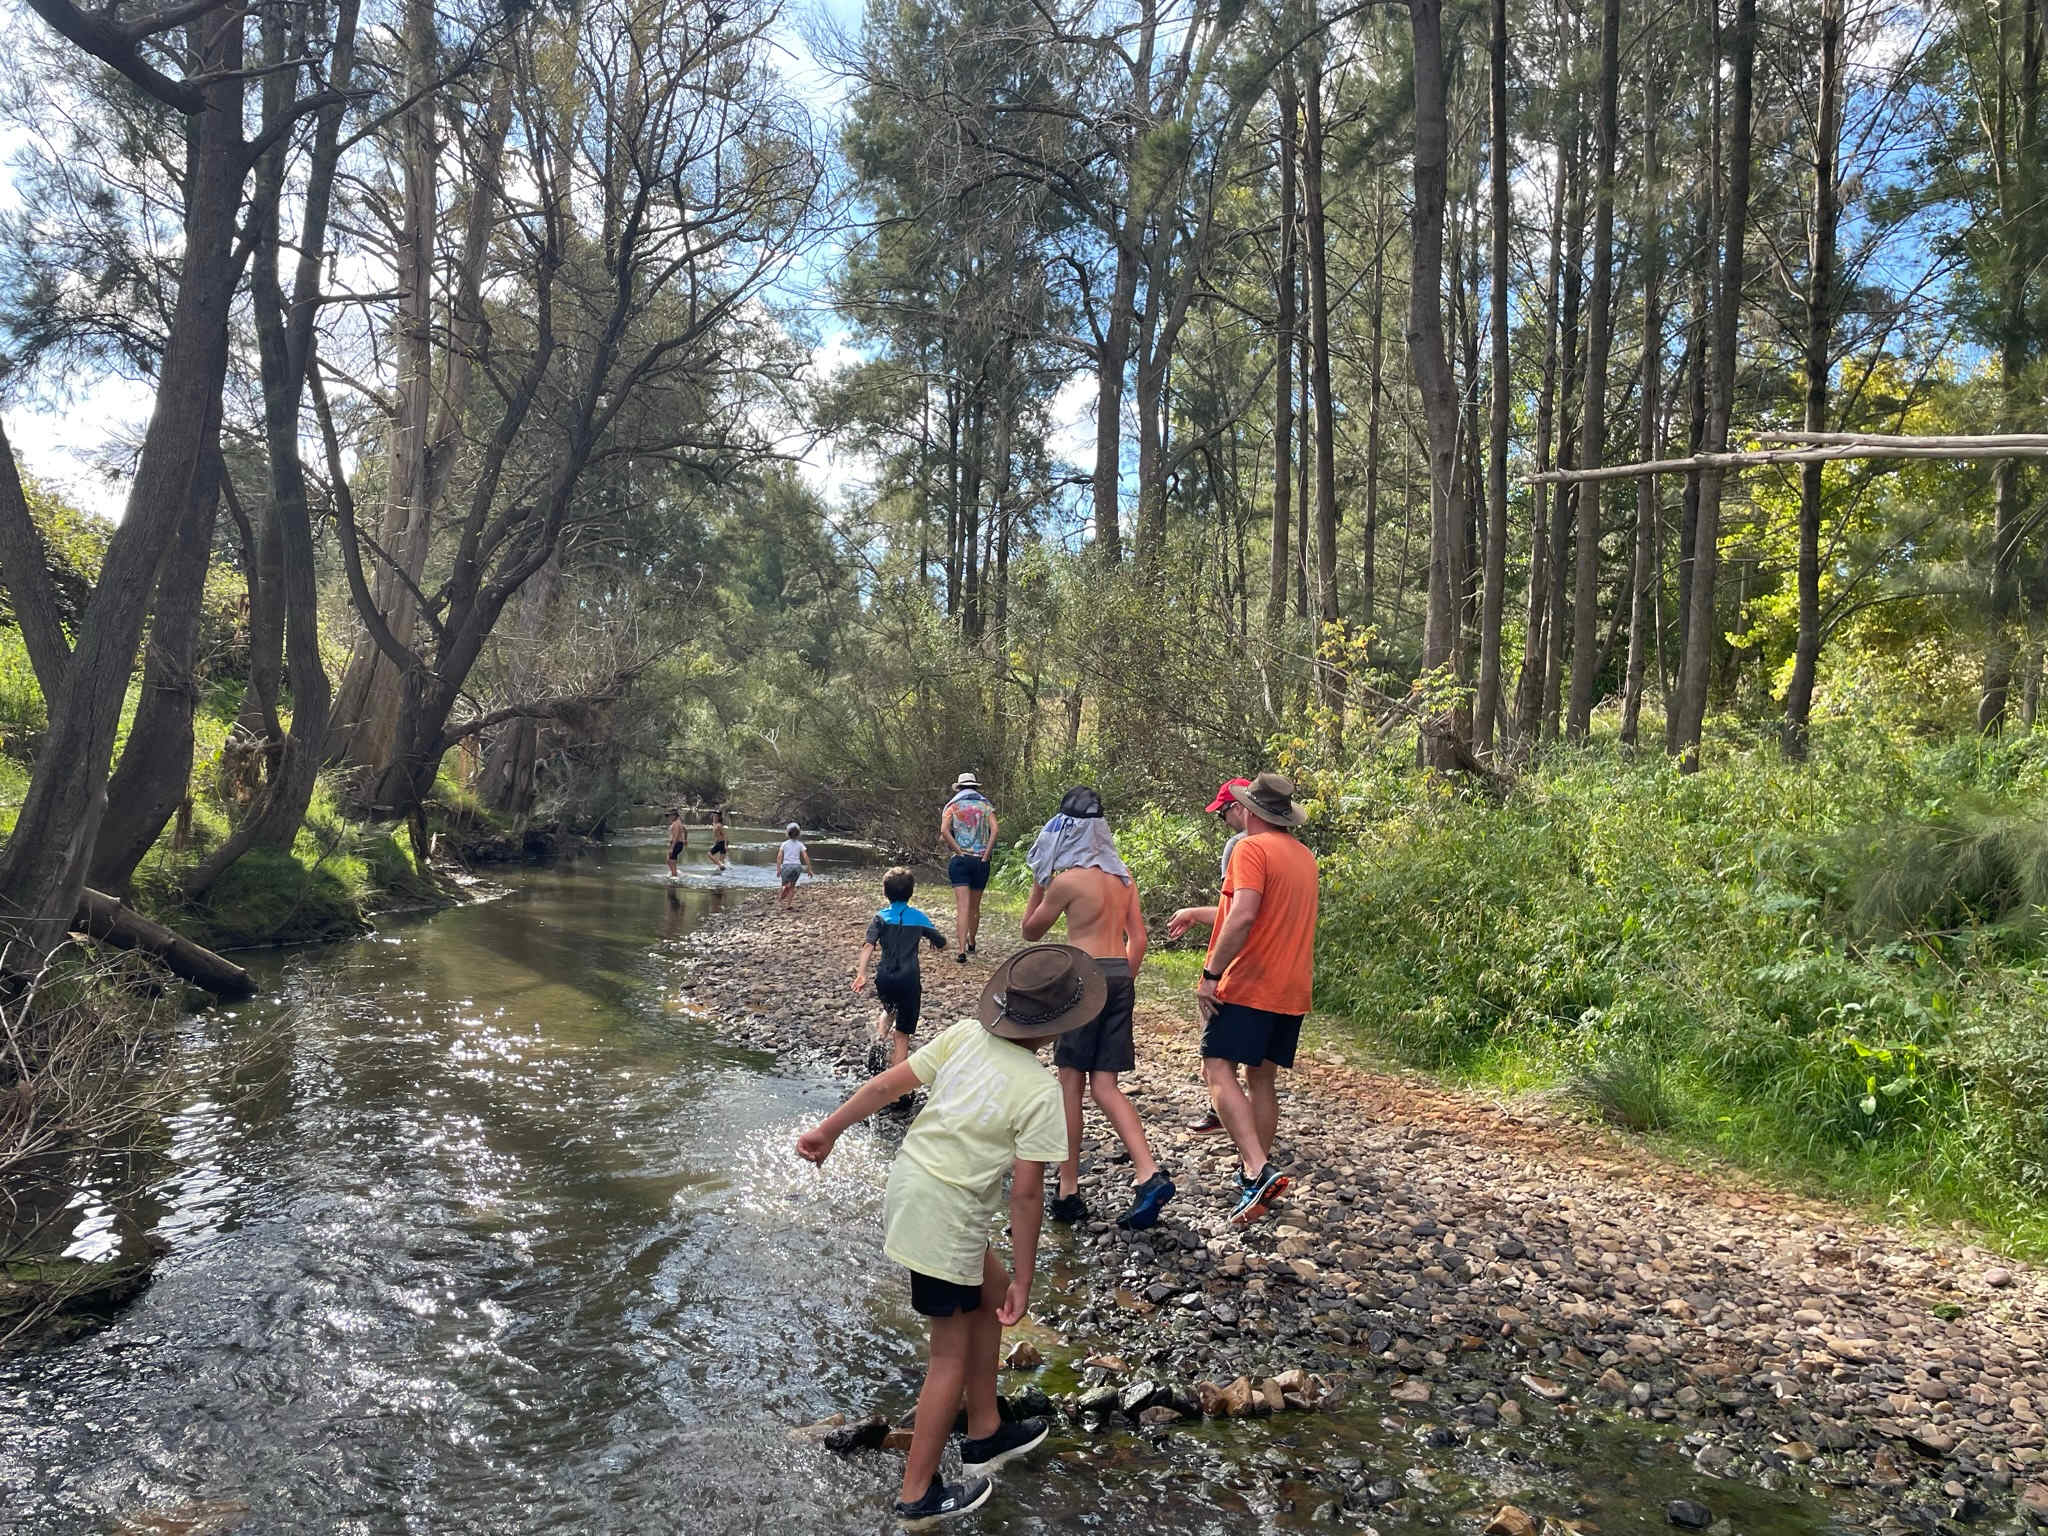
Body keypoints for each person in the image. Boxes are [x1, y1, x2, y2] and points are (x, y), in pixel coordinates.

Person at [797, 945, 1091, 1528]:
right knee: (948, 1357)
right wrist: (1030, 1278)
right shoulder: (1040, 1092)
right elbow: (1028, 1196)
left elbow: (886, 1087)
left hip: (914, 1190)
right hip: (949, 1219)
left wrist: (829, 1130)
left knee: (992, 1286)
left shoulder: (962, 1035)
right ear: (1060, 1028)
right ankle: (917, 1495)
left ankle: (984, 1431)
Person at [1020, 787, 1173, 1231]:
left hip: (1082, 978)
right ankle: (1148, 1173)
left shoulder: (1068, 881)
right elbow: (1138, 938)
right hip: (1120, 977)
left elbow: (1031, 932)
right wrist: (1121, 982)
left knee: (1071, 1085)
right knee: (1105, 1086)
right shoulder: (1124, 879)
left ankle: (1068, 1190)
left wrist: (1039, 880)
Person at [1195, 772, 1318, 1226]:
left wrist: (1211, 974)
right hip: (1291, 986)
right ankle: (1256, 1181)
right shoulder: (1304, 857)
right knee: (1261, 1079)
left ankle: (1255, 1167)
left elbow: (1244, 915)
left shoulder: (1250, 849)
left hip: (1250, 981)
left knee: (1216, 1067)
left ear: (1250, 811)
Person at [1168, 777, 1253, 1134]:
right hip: (1268, 969)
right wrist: (1194, 913)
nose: (1224, 821)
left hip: (1234, 966)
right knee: (1256, 1070)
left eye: (1222, 813)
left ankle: (1246, 1146)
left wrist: (1212, 973)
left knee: (1215, 1059)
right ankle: (1239, 1125)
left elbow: (1235, 913)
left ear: (1238, 807)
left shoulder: (1239, 846)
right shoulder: (1290, 848)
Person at [854, 865, 948, 1072]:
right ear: (911, 892)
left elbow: (868, 945)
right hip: (909, 980)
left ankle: (879, 1040)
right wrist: (934, 941)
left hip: (884, 978)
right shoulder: (919, 918)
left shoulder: (880, 917)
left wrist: (861, 974)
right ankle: (898, 1092)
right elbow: (942, 942)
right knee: (902, 1034)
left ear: (884, 892)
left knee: (889, 1009)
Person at [939, 772, 998, 963]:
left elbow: (943, 831)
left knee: (962, 907)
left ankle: (961, 950)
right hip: (980, 861)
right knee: (975, 907)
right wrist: (986, 853)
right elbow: (995, 829)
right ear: (975, 787)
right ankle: (972, 941)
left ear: (960, 787)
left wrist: (957, 849)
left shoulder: (953, 806)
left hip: (960, 860)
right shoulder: (985, 805)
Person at [777, 823, 814, 908]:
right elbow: (805, 856)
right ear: (798, 834)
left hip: (786, 866)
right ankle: (788, 904)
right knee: (793, 886)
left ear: (787, 833)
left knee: (784, 884)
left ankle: (785, 887)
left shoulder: (784, 844)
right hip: (797, 867)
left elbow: (779, 857)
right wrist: (809, 869)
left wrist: (778, 869)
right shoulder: (800, 844)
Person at [666, 808, 688, 879]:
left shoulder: (675, 823)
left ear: (674, 815)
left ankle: (674, 876)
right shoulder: (679, 822)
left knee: (671, 861)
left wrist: (672, 848)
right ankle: (674, 873)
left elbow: (675, 836)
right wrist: (685, 839)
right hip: (679, 844)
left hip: (676, 844)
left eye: (670, 816)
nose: (669, 817)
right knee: (669, 860)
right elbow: (685, 830)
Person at [708, 808, 729, 873]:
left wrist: (725, 845)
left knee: (709, 854)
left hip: (722, 843)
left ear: (719, 817)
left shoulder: (719, 825)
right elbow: (716, 836)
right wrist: (715, 843)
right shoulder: (714, 824)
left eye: (716, 816)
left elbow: (725, 835)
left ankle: (720, 865)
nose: (714, 817)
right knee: (721, 861)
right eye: (714, 816)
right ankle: (721, 874)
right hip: (719, 842)